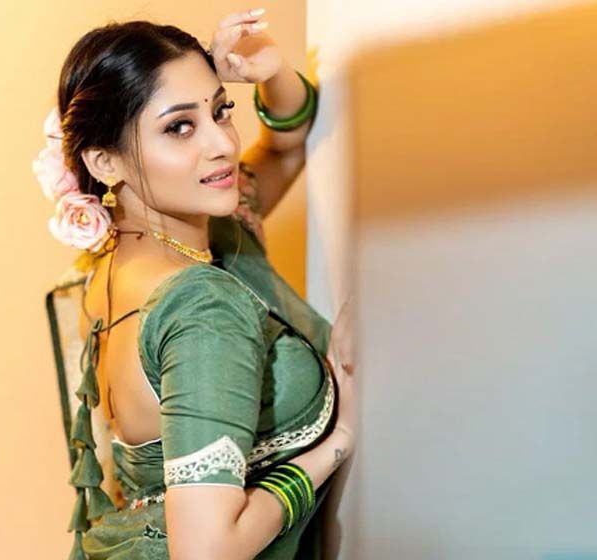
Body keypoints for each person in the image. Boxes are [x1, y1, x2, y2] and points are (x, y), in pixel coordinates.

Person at [36, 9, 357, 559]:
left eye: (220, 111)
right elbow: (207, 551)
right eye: (179, 127)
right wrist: (340, 440)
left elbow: (286, 143)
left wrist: (268, 70)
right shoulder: (199, 305)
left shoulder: (111, 265)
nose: (223, 144)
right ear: (104, 162)